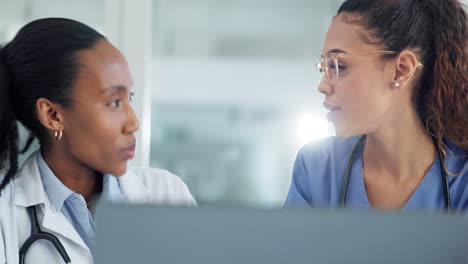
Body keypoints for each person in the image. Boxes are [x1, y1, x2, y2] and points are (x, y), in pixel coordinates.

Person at [0, 18, 196, 263]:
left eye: (129, 99)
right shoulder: (4, 213)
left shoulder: (168, 195)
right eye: (114, 102)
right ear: (53, 115)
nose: (133, 122)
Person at [285, 0, 467, 211]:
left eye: (339, 66)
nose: (323, 86)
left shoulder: (463, 180)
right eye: (323, 68)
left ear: (401, 70)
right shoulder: (316, 169)